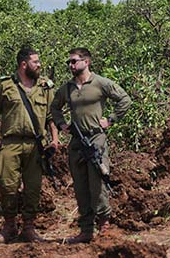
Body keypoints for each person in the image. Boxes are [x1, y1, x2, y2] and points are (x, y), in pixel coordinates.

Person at [50, 48, 131, 244]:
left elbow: (124, 99)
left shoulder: (100, 83)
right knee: (80, 186)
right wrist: (61, 124)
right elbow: (54, 107)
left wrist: (110, 120)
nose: (71, 65)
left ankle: (104, 226)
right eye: (69, 62)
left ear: (86, 62)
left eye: (74, 61)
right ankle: (86, 230)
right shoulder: (67, 88)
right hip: (77, 142)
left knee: (98, 184)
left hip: (96, 140)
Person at [0, 48, 58, 244]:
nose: (39, 65)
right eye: (36, 61)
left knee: (33, 189)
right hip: (10, 143)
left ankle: (29, 228)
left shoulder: (45, 87)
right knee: (7, 186)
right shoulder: (5, 85)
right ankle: (9, 226)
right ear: (24, 65)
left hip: (36, 145)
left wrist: (54, 140)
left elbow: (52, 117)